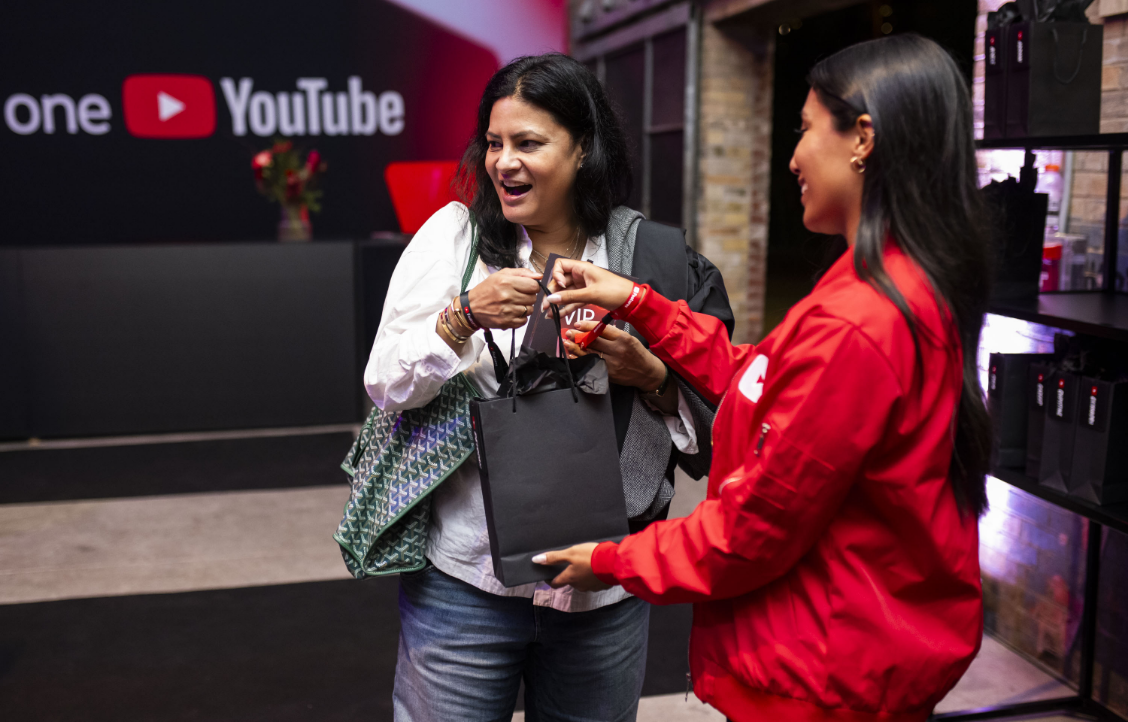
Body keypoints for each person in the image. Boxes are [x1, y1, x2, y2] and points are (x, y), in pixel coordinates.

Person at [537, 34, 992, 722]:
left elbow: (752, 529)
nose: (793, 158)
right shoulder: (886, 287)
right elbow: (763, 379)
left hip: (822, 671)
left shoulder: (861, 322)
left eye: (806, 130)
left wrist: (611, 560)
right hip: (841, 652)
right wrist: (637, 302)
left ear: (862, 138)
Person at [364, 53, 731, 721]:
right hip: (465, 586)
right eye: (496, 143)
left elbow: (722, 416)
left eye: (529, 143)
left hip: (606, 594)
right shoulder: (455, 241)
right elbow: (386, 387)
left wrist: (649, 376)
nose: (504, 162)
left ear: (583, 148)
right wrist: (462, 316)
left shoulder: (656, 263)